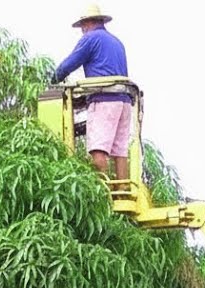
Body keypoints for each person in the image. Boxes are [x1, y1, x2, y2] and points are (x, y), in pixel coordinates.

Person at [50, 5, 132, 181]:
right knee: (120, 151)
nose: (82, 30)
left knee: (98, 149)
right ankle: (122, 189)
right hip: (124, 101)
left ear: (88, 23)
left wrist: (52, 79)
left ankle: (99, 193)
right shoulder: (117, 42)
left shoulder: (91, 38)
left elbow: (69, 64)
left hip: (104, 100)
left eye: (82, 26)